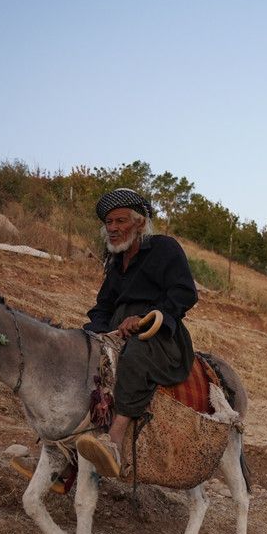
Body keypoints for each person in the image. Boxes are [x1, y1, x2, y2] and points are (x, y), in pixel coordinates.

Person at [76, 188, 198, 478]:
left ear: (140, 223)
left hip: (158, 336)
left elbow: (184, 293)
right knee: (79, 352)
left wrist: (143, 318)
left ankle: (114, 444)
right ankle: (65, 452)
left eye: (120, 221)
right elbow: (102, 307)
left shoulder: (164, 248)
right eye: (109, 223)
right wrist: (97, 334)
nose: (112, 228)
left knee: (135, 355)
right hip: (118, 333)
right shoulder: (116, 263)